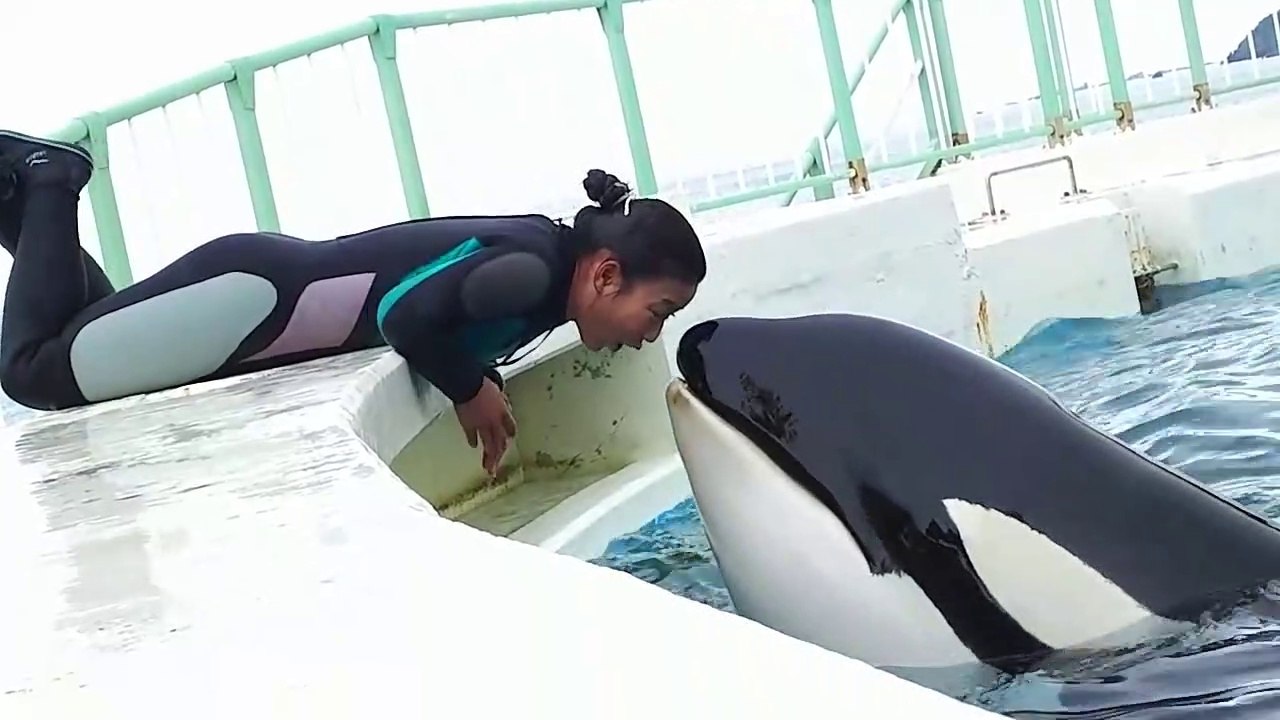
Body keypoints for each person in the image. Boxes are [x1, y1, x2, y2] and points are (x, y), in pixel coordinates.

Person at [0, 130, 706, 474]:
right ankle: (49, 178)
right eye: (660, 311)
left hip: (254, 306)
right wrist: (469, 387)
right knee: (36, 371)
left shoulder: (547, 273)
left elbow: (445, 309)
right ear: (607, 275)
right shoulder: (531, 270)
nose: (651, 336)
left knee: (81, 339)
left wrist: (475, 369)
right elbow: (405, 312)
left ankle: (15, 201)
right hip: (255, 304)